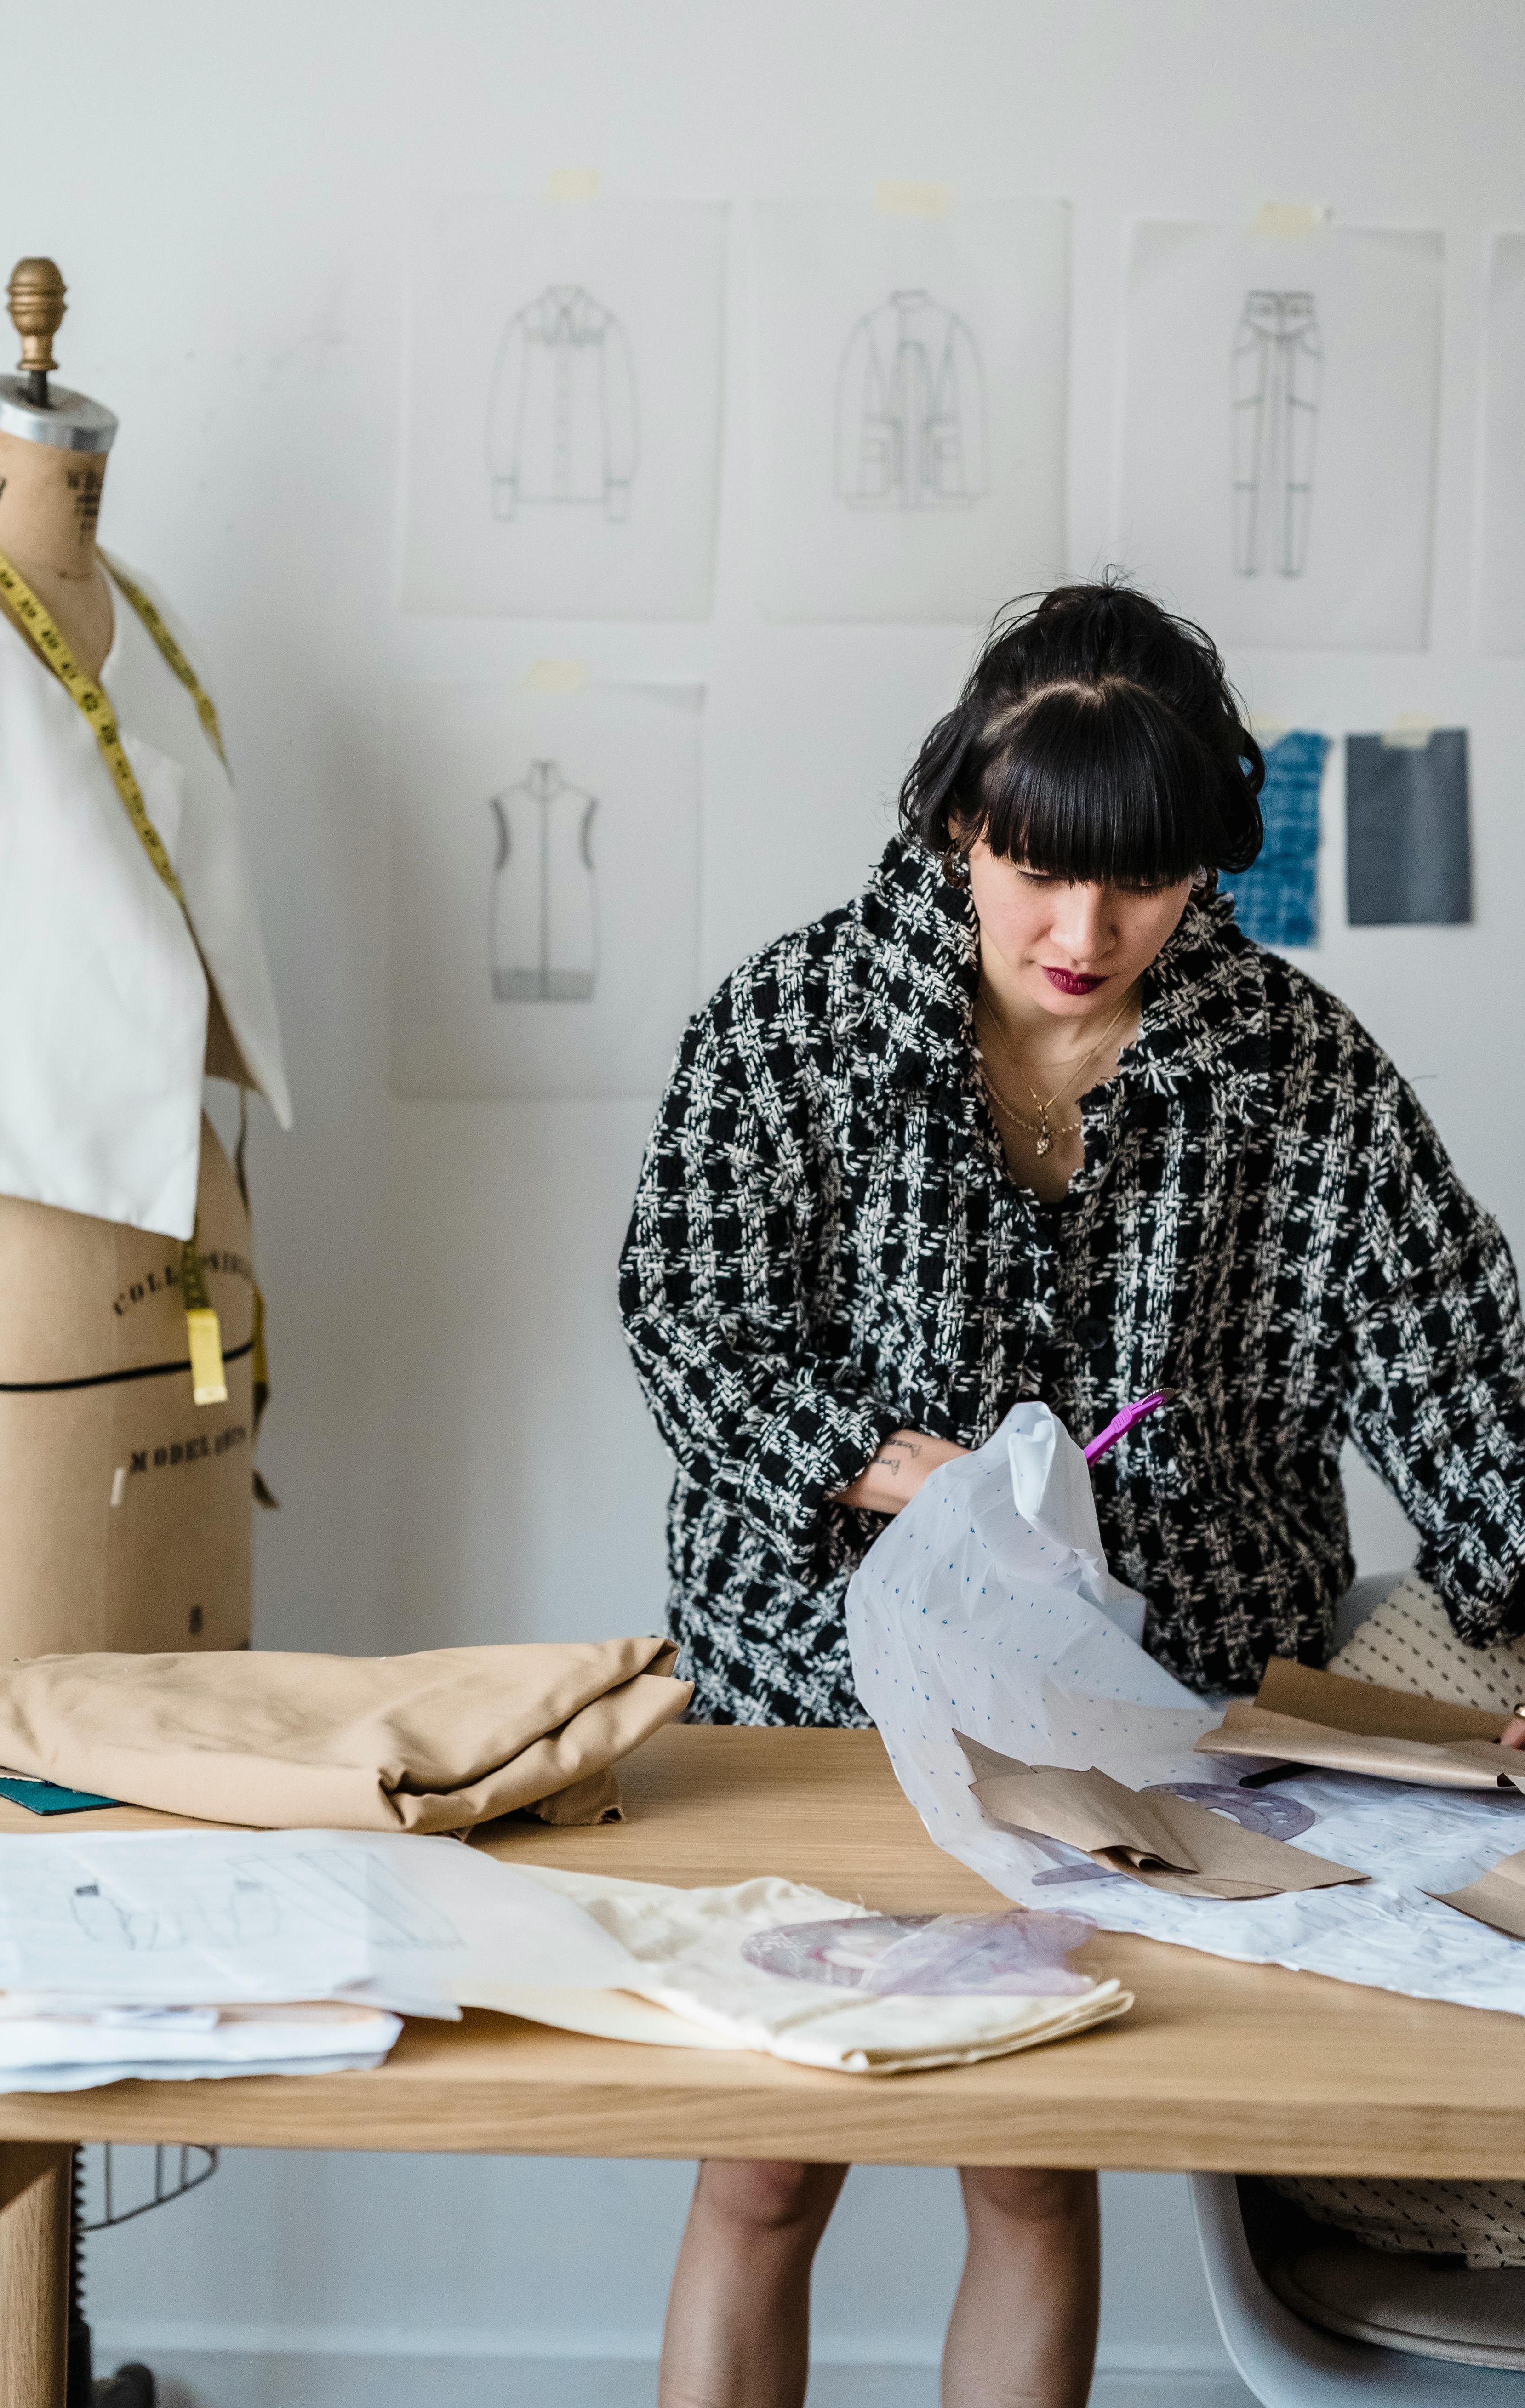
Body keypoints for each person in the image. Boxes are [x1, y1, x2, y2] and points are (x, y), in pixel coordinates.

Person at [618, 579, 1525, 2408]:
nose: (1081, 928)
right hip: (813, 1698)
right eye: (1033, 866)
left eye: (1140, 880)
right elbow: (686, 1319)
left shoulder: (1299, 1076)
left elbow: (1463, 1383)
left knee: (1034, 2156)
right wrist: (903, 1479)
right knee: (766, 2157)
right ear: (959, 817)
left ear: (1205, 863)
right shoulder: (791, 1029)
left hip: (1146, 1728)